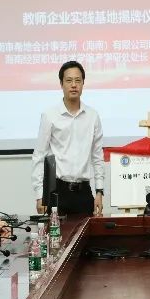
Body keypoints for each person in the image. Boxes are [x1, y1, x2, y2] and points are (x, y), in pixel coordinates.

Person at [30, 61, 105, 216]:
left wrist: (99, 191)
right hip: (57, 191)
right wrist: (39, 194)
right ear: (61, 84)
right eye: (69, 80)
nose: (73, 85)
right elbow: (39, 155)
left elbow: (97, 156)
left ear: (83, 83)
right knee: (56, 232)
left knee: (86, 231)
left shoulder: (92, 116)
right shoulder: (50, 115)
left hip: (84, 192)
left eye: (78, 80)